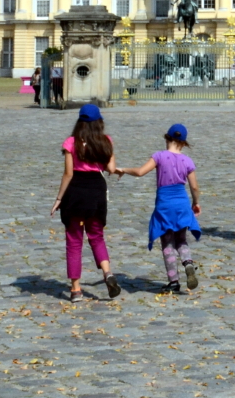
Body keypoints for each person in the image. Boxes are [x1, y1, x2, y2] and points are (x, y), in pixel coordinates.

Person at [49, 104, 121, 302]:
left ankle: (75, 289)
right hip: (96, 190)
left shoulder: (71, 143)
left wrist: (58, 199)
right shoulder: (106, 141)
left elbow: (68, 174)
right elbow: (111, 168)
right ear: (99, 122)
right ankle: (107, 274)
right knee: (97, 236)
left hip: (76, 191)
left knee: (74, 241)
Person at [119, 124, 202, 294]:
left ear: (167, 139)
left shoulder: (159, 156)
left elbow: (141, 171)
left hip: (165, 205)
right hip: (181, 204)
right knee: (181, 239)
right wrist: (196, 202)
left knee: (167, 243)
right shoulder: (187, 161)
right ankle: (188, 263)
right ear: (184, 143)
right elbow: (194, 187)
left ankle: (173, 281)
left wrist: (124, 170)